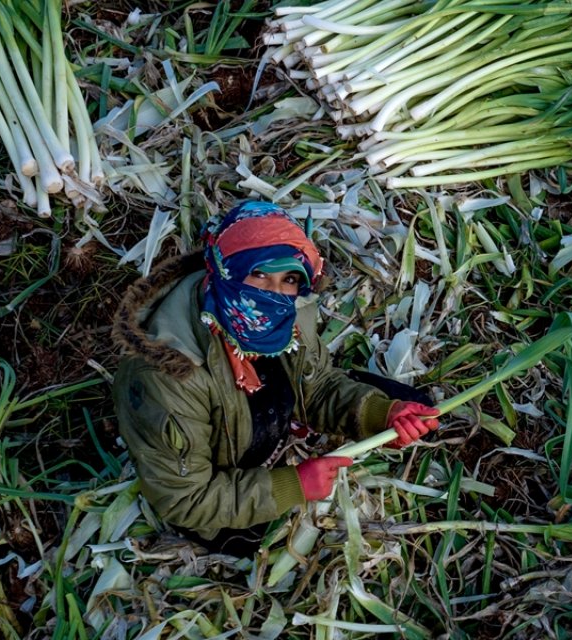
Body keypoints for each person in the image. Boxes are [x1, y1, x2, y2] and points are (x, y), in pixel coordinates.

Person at [111, 201, 440, 555]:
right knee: (251, 541)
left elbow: (316, 387)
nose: (272, 293)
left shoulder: (291, 310)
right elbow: (186, 499)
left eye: (289, 279)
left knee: (412, 407)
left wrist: (381, 415)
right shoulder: (169, 378)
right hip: (221, 468)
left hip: (261, 416)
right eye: (259, 274)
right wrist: (291, 486)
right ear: (225, 271)